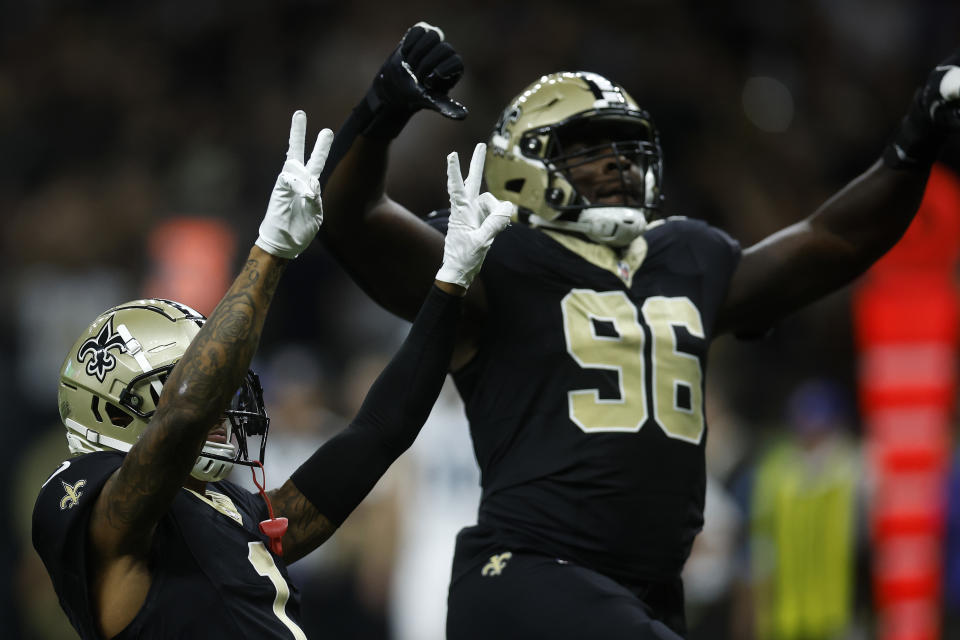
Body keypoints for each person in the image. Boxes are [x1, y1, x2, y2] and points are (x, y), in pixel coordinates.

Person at [318, 22, 960, 640]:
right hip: (530, 574)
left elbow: (834, 240)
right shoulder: (495, 257)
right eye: (590, 147)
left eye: (627, 147)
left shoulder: (685, 256)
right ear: (527, 163)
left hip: (644, 593)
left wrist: (911, 145)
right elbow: (353, 217)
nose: (619, 164)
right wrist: (380, 110)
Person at [31, 108, 511, 639]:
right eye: (193, 379)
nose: (223, 405)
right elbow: (187, 411)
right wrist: (271, 251)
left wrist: (448, 286)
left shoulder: (237, 514)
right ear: (111, 408)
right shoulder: (91, 507)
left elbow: (379, 432)